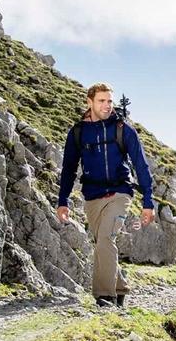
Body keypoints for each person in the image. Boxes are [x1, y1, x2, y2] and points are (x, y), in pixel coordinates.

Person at [56, 83, 155, 308]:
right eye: (101, 101)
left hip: (120, 193)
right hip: (92, 196)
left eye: (109, 101)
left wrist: (148, 202)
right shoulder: (78, 133)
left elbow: (141, 166)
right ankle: (120, 288)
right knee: (101, 242)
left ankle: (104, 295)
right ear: (89, 102)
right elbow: (69, 168)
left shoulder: (123, 129)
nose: (107, 105)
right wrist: (63, 200)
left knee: (106, 239)